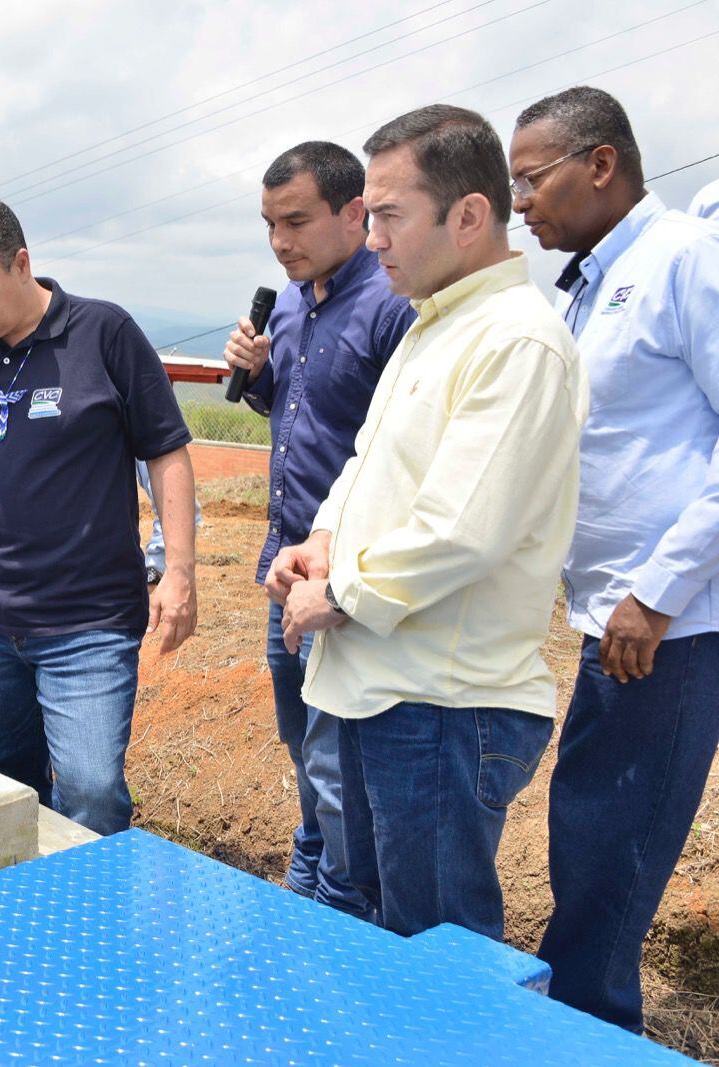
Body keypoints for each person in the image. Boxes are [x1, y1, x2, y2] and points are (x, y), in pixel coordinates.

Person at [274, 104, 587, 942]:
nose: (371, 237)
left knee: (433, 951)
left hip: (444, 704)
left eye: (388, 215)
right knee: (378, 934)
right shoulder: (433, 326)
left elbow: (461, 528)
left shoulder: (516, 341)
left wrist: (334, 591)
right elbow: (367, 466)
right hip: (387, 688)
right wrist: (322, 539)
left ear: (470, 215)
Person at [509, 86, 719, 1032]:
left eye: (532, 178)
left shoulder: (684, 261)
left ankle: (586, 1032)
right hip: (616, 616)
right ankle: (580, 1018)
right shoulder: (591, 284)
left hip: (669, 624)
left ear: (601, 164)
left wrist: (658, 589)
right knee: (587, 829)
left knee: (611, 849)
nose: (521, 202)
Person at [0, 194, 198, 836]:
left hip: (86, 623)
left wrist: (180, 570)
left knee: (91, 792)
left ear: (21, 263)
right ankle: (28, 924)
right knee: (9, 785)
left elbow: (167, 453)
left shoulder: (104, 334)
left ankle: (98, 922)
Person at [222, 141, 414, 918]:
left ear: (354, 212)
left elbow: (397, 446)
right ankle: (313, 863)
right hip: (286, 567)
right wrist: (261, 377)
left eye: (295, 221)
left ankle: (341, 900)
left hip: (348, 575)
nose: (280, 241)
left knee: (341, 757)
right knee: (304, 743)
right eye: (269, 224)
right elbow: (310, 416)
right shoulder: (294, 302)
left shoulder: (392, 307)